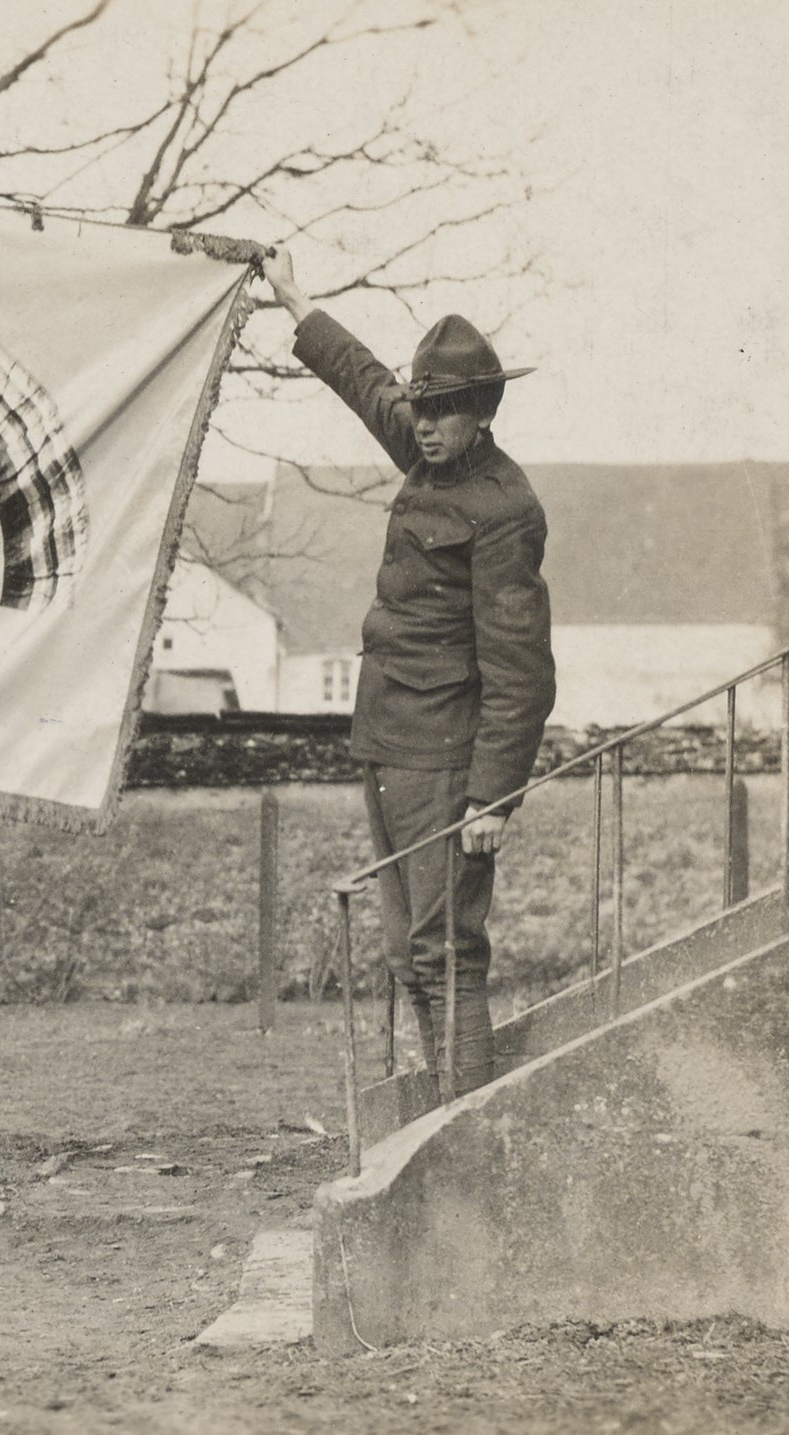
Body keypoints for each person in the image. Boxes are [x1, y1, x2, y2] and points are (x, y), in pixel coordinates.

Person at [264, 247, 556, 1103]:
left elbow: (523, 673)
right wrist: (295, 298)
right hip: (386, 744)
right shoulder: (428, 456)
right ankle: (438, 1125)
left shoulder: (506, 509)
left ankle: (463, 1136)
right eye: (421, 405)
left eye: (445, 410)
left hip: (445, 764)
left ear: (482, 412)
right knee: (407, 954)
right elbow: (361, 379)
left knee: (446, 950)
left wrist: (493, 798)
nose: (423, 423)